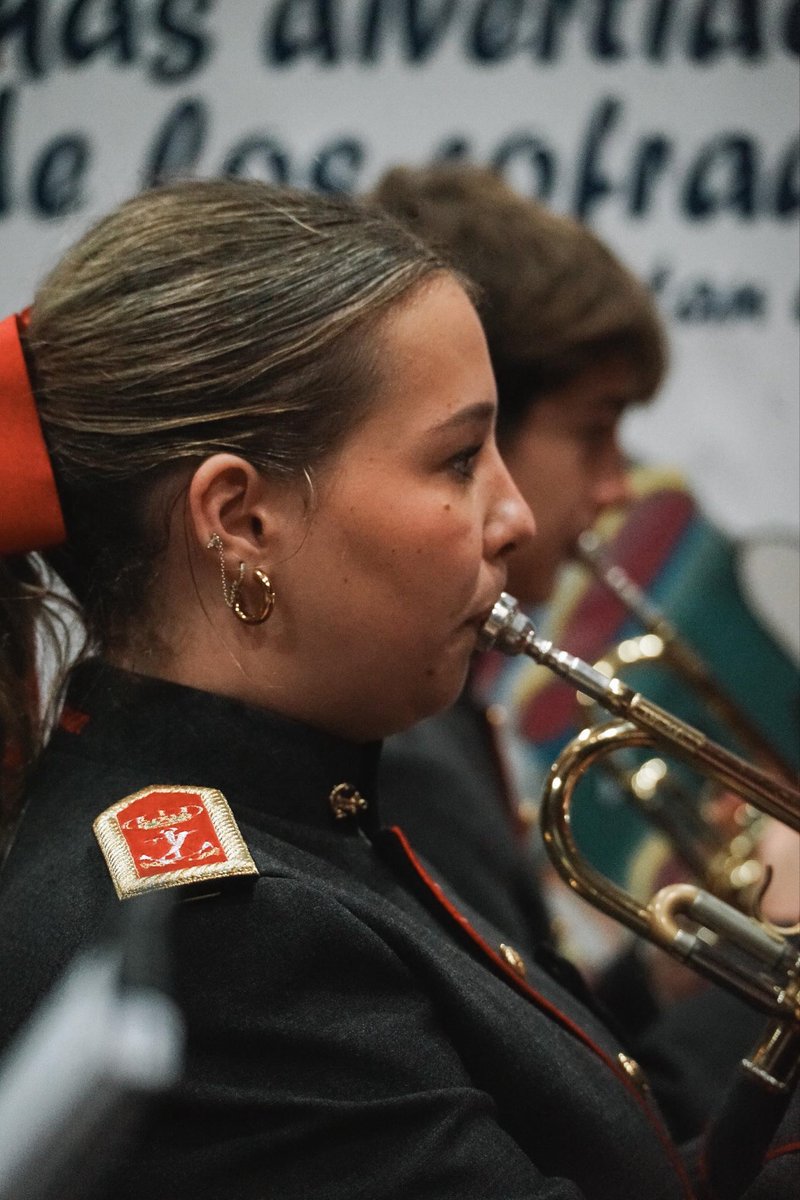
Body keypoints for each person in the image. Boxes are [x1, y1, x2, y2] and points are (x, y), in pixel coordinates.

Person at [0, 178, 795, 1199]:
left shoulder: (308, 818)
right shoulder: (226, 930)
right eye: (459, 459)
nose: (510, 514)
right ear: (240, 524)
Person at [371, 164, 792, 1137]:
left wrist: (658, 977)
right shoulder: (405, 745)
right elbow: (589, 1135)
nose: (615, 488)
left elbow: (547, 1045)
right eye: (593, 433)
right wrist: (779, 952)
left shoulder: (443, 708)